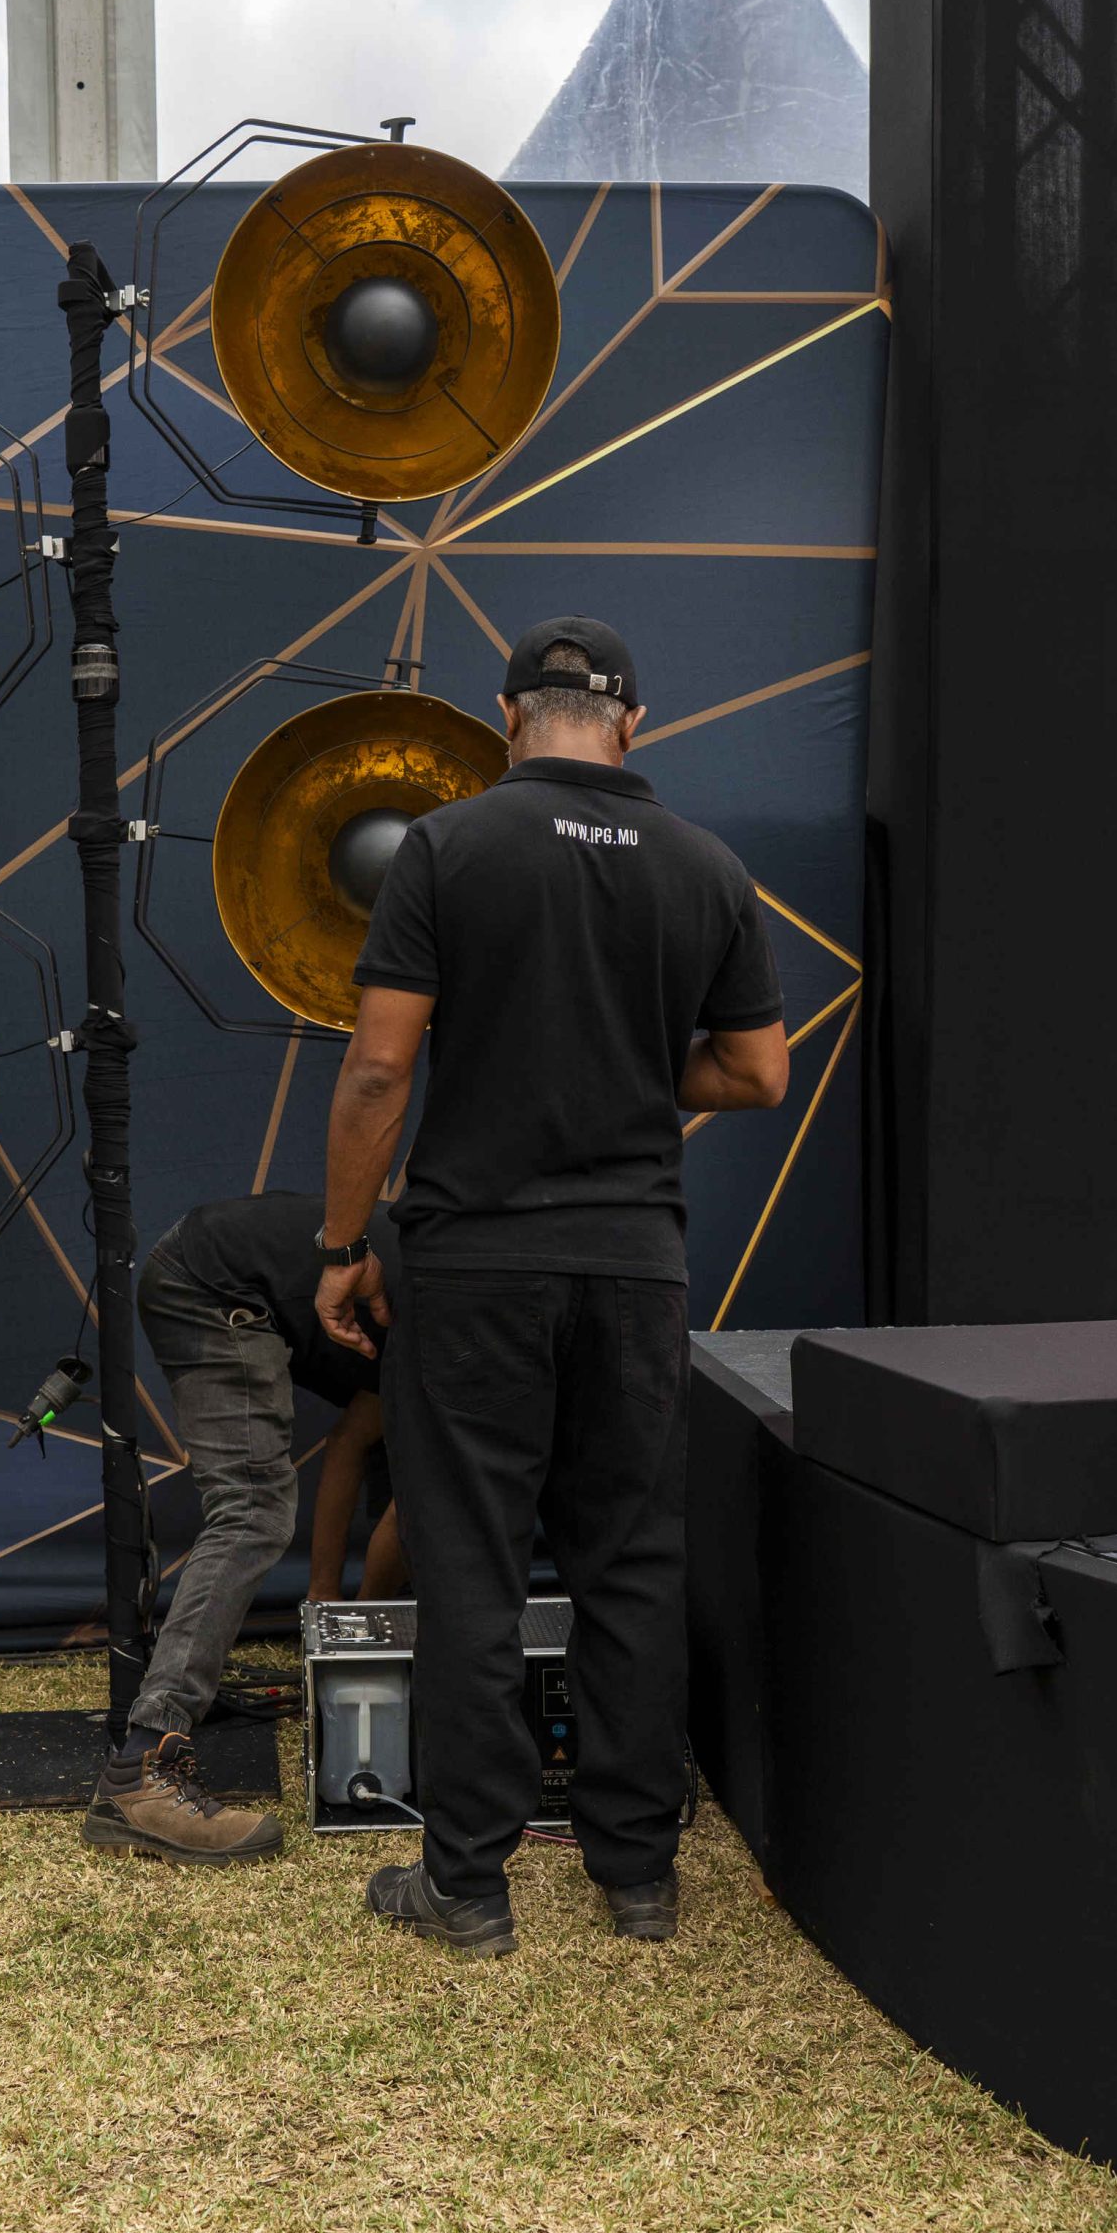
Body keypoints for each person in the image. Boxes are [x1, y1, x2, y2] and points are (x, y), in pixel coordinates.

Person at [314, 616, 789, 1958]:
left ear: (506, 714)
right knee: (629, 1562)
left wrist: (342, 1243)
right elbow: (757, 1073)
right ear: (631, 723)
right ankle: (636, 1877)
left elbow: (375, 1070)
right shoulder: (706, 866)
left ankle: (464, 1891)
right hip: (633, 1264)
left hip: (474, 1266)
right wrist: (643, 1075)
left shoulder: (446, 848)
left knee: (468, 1564)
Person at [84, 1188, 399, 1868]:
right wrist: (352, 1623)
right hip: (210, 1284)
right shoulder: (461, 1320)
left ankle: (145, 1756)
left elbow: (354, 1437)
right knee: (253, 1509)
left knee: (256, 1508)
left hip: (204, 1263)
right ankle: (143, 1765)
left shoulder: (447, 1292)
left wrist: (331, 1612)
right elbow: (416, 1503)